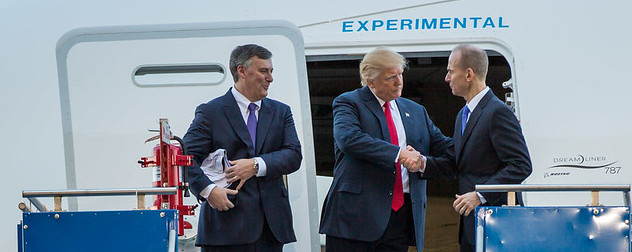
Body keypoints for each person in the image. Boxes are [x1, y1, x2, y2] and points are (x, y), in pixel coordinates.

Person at [319, 47, 452, 252]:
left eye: (400, 74)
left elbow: (445, 147)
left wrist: (483, 133)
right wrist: (399, 154)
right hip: (355, 218)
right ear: (370, 81)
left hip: (399, 219)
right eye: (391, 77)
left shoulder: (415, 111)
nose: (399, 82)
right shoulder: (349, 102)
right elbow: (349, 139)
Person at [183, 44, 302, 252]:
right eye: (263, 71)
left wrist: (256, 165)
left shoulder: (281, 112)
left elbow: (293, 155)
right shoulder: (211, 112)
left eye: (271, 71)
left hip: (270, 229)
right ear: (242, 71)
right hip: (225, 228)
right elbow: (185, 158)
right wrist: (209, 191)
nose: (270, 78)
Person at [421, 44, 532, 252]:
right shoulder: (463, 114)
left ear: (469, 74)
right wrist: (422, 163)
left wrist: (480, 195)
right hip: (472, 226)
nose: (446, 78)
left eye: (451, 71)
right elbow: (456, 162)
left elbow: (521, 165)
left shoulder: (497, 112)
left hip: (497, 227)